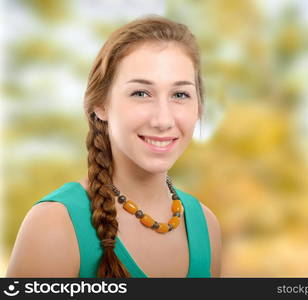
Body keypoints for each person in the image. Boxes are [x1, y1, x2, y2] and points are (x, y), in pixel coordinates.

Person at [6, 14, 222, 278]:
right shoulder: (53, 225)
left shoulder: (207, 226)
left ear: (198, 106)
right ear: (101, 105)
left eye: (180, 95)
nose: (163, 120)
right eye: (141, 93)